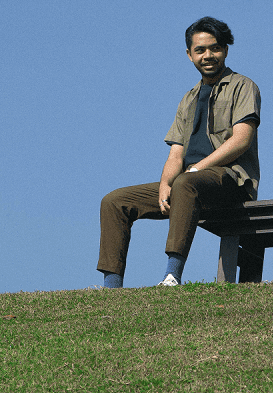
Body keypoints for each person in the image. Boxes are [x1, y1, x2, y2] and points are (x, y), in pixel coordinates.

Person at [97, 17, 261, 288]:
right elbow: (176, 153)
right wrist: (165, 183)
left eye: (214, 48)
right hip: (189, 183)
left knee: (185, 182)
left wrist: (196, 169)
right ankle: (111, 287)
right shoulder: (188, 99)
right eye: (200, 50)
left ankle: (172, 276)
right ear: (189, 55)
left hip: (230, 181)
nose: (208, 55)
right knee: (115, 201)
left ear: (225, 50)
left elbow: (241, 140)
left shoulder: (243, 86)